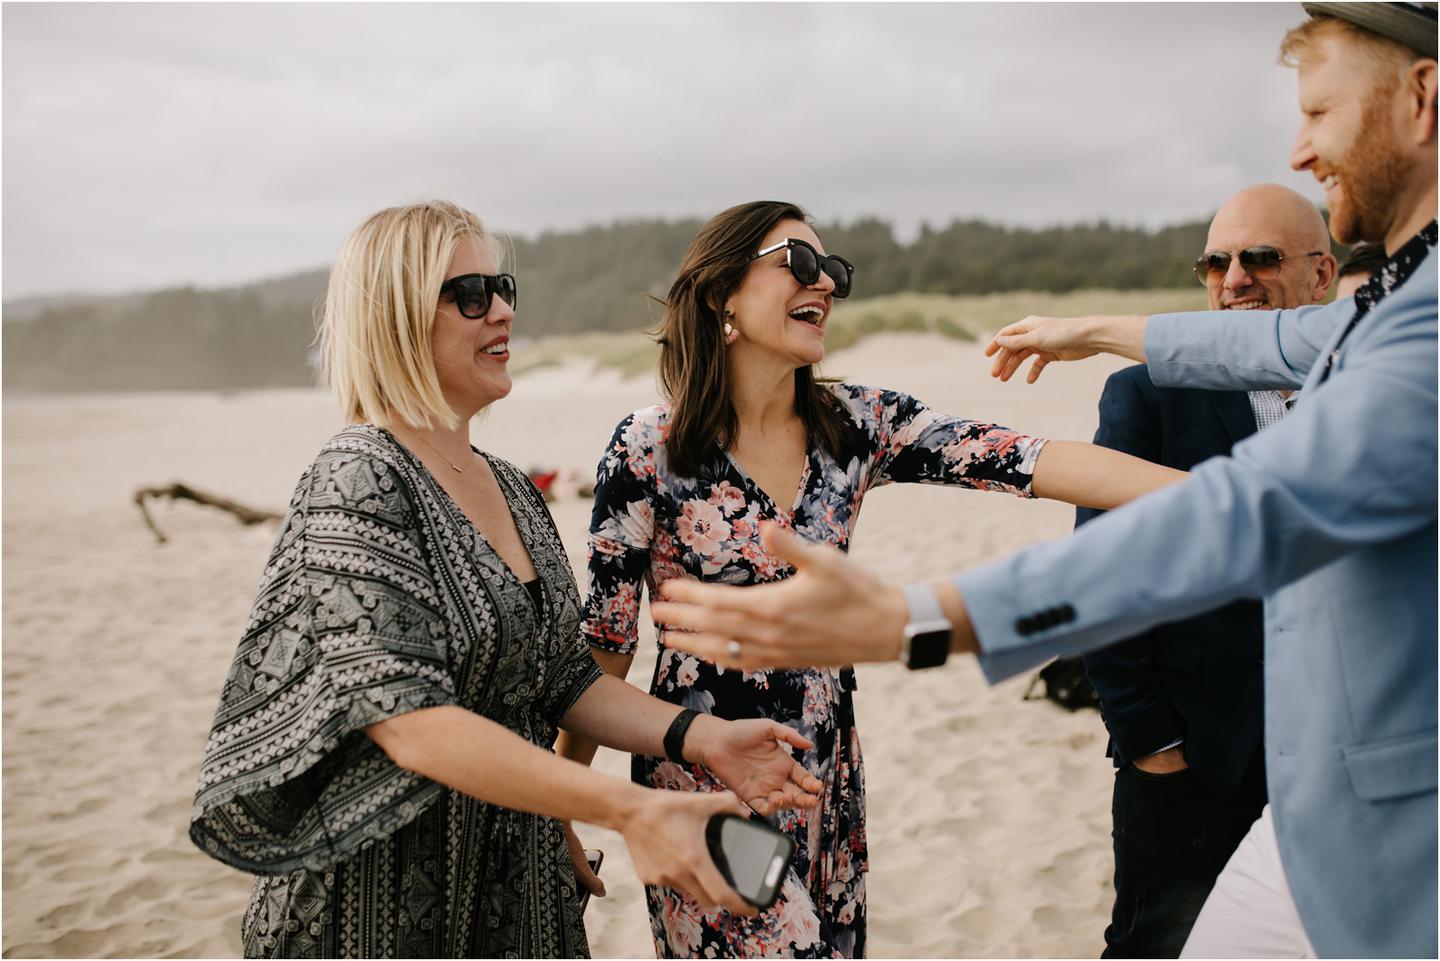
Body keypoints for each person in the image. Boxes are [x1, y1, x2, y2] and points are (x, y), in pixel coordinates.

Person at [649, 3, 1437, 957]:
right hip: (710, 779)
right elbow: (1271, 339)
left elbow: (1251, 505)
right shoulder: (1394, 297)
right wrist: (1094, 330)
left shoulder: (1423, 326)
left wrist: (919, 620)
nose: (1300, 147)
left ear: (1422, 99)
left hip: (1376, 800)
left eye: (1318, 112)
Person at [188, 201, 826, 958]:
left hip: (517, 905)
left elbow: (567, 679)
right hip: (379, 912)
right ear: (394, 315)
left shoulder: (511, 488)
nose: (501, 312)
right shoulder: (357, 476)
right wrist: (628, 809)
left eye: (505, 289)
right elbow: (411, 720)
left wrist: (702, 736)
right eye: (469, 295)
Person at [556, 200, 1186, 958]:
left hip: (827, 770)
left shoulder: (856, 425)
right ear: (722, 291)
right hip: (705, 775)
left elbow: (1027, 459)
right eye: (798, 261)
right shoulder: (649, 446)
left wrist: (1226, 494)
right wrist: (566, 798)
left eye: (834, 270)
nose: (824, 281)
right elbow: (606, 645)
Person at [1079, 183, 1335, 958]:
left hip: (1339, 759)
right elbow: (1101, 573)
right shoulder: (1146, 394)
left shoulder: (1374, 389)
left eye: (1260, 257)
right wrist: (1153, 738)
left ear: (1322, 275)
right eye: (1215, 263)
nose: (1234, 280)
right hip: (1196, 755)